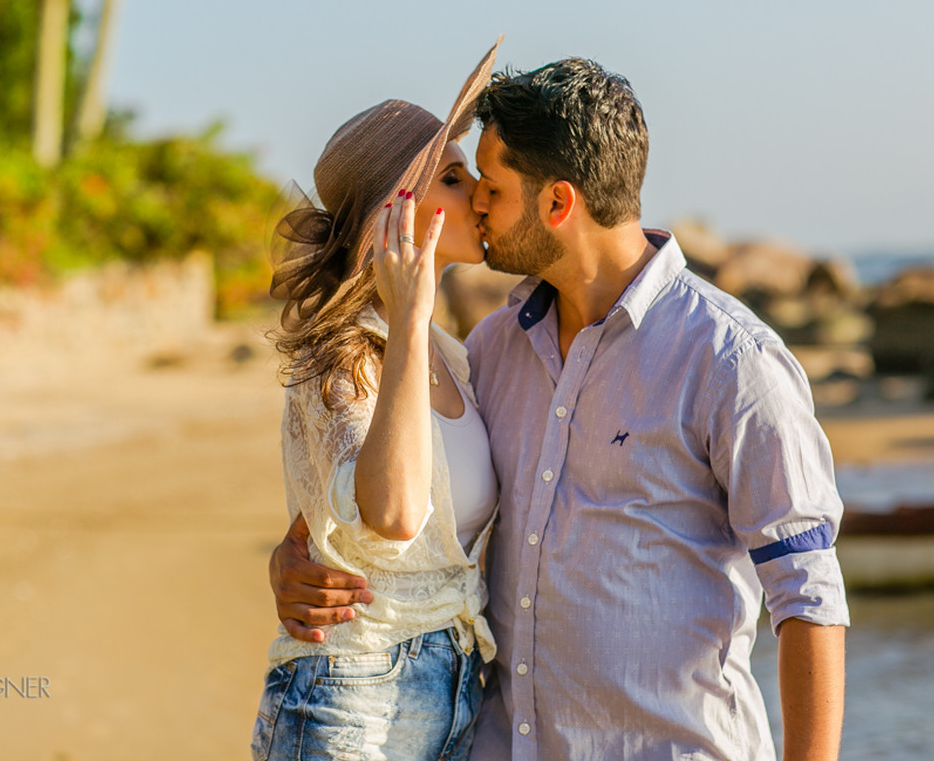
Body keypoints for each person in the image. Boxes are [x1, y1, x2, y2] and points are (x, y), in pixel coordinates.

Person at [269, 57, 850, 761]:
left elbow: (807, 594)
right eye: (465, 181)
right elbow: (371, 488)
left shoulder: (731, 362)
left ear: (558, 204)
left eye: (492, 186)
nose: (478, 201)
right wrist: (293, 559)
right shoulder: (487, 352)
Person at [251, 39, 503, 761]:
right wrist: (407, 314)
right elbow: (392, 513)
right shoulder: (339, 356)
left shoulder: (456, 355)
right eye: (454, 178)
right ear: (400, 213)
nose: (478, 193)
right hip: (353, 697)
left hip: (455, 686)